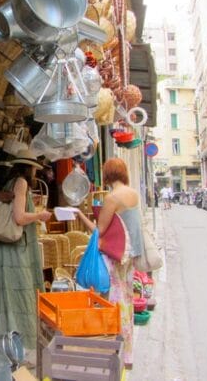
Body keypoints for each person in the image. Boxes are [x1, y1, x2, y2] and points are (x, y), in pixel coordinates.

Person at [74, 158, 143, 370]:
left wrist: (79, 215)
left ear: (107, 175)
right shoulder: (133, 194)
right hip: (130, 254)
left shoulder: (112, 198)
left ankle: (115, 349)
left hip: (115, 255)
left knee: (114, 301)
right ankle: (128, 354)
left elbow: (99, 231)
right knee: (127, 299)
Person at [0, 149, 52, 353]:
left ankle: (2, 339)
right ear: (29, 167)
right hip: (16, 250)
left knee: (5, 293)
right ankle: (21, 341)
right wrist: (39, 215)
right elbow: (19, 217)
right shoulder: (22, 183)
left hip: (4, 249)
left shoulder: (10, 182)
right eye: (34, 168)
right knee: (21, 291)